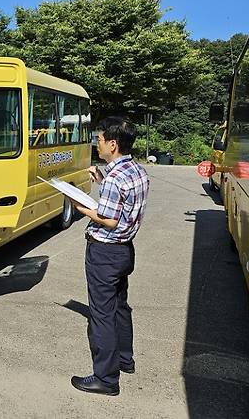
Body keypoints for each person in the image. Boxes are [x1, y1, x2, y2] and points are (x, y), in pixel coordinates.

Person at [69, 117, 149, 396]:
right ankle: (125, 360)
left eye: (100, 140)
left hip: (105, 252)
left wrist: (81, 207)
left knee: (101, 315)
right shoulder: (135, 170)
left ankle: (105, 378)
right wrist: (101, 182)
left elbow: (110, 219)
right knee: (119, 307)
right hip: (124, 251)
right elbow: (123, 208)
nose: (97, 144)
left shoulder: (116, 178)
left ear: (113, 144)